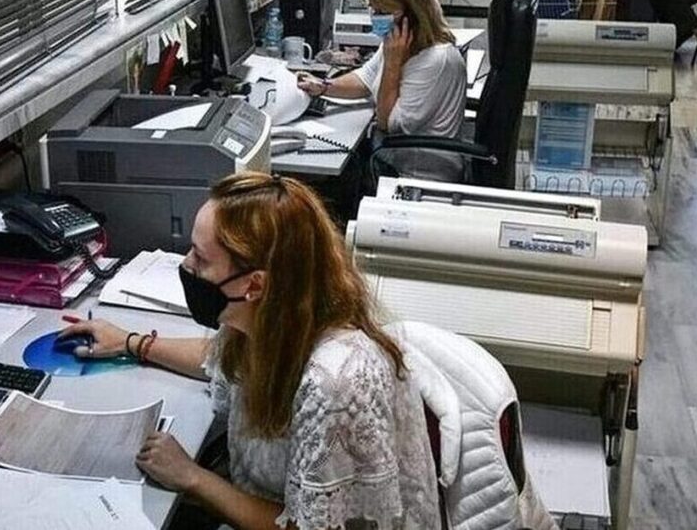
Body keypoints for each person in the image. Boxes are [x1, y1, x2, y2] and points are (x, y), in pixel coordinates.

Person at [61, 172, 441, 530]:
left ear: (254, 285)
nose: (187, 265)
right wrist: (131, 342)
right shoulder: (275, 314)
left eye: (201, 258)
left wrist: (193, 478)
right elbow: (219, 359)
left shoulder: (335, 381)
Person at [297, 0, 467, 182]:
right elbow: (365, 79)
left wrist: (392, 64)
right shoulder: (398, 42)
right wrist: (323, 87)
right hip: (390, 158)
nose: (375, 17)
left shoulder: (436, 60)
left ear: (413, 13)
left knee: (318, 179)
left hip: (416, 176)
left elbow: (388, 122)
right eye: (374, 10)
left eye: (383, 12)